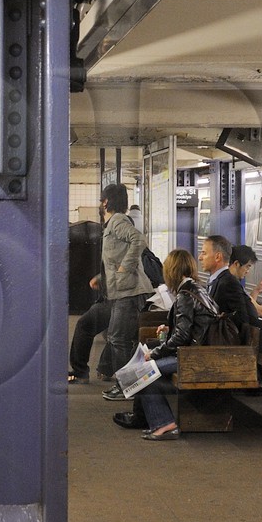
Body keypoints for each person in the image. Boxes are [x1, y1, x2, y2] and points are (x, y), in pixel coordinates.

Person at [112, 249, 204, 440]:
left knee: (143, 371)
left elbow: (182, 336)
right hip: (197, 353)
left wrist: (154, 354)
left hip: (192, 357)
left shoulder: (185, 294)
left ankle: (163, 423)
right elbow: (190, 328)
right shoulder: (196, 288)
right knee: (146, 373)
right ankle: (160, 421)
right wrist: (169, 331)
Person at [99, 183, 153, 402]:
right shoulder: (114, 222)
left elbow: (139, 240)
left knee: (119, 339)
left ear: (105, 202)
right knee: (118, 338)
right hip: (124, 290)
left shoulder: (118, 221)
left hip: (129, 291)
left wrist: (125, 268)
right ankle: (128, 385)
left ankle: (128, 387)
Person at [199, 234, 257, 338]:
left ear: (218, 257)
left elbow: (243, 321)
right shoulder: (217, 280)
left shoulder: (228, 283)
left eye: (204, 253)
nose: (200, 257)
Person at [68, 271, 113, 383]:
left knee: (84, 325)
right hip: (128, 298)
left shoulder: (125, 253)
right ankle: (105, 369)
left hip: (121, 298)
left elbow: (119, 266)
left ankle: (80, 372)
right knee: (112, 332)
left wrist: (100, 278)